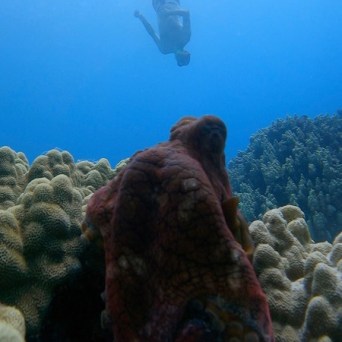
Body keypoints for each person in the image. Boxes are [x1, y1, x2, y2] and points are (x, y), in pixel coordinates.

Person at [134, 0, 191, 66]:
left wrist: (140, 16)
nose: (181, 57)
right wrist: (168, 13)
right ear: (186, 52)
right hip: (172, 2)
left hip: (157, 6)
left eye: (181, 60)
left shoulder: (164, 48)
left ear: (177, 60)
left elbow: (152, 32)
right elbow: (186, 13)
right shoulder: (185, 38)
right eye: (184, 58)